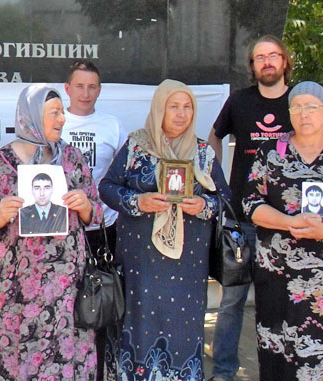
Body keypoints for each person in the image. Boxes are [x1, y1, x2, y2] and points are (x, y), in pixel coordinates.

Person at [242, 81, 323, 380]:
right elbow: (250, 203)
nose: (304, 113)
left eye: (311, 107)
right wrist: (288, 222)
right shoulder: (271, 153)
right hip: (281, 277)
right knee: (282, 354)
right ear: (289, 113)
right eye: (297, 107)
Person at [99, 79, 230, 380]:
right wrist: (137, 200)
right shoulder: (136, 146)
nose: (181, 114)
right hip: (140, 264)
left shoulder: (202, 153)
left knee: (182, 330)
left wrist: (203, 205)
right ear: (160, 108)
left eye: (187, 107)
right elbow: (107, 187)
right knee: (139, 325)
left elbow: (224, 197)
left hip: (187, 267)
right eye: (174, 106)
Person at [0, 84, 103, 380]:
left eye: (62, 113)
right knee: (17, 358)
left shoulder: (72, 158)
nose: (62, 120)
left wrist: (85, 206)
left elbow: (97, 212)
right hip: (15, 290)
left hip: (66, 288)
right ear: (31, 116)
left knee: (65, 356)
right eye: (54, 113)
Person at [207, 34, 293, 381]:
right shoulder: (239, 101)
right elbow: (215, 136)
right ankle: (225, 371)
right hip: (241, 221)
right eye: (260, 57)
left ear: (285, 61)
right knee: (232, 302)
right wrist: (217, 180)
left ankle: (281, 371)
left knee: (285, 303)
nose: (267, 62)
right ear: (252, 66)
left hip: (289, 221)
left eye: (273, 56)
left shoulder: (299, 101)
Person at [62, 59, 127, 380]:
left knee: (98, 306)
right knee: (65, 308)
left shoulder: (112, 125)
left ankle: (100, 371)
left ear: (99, 90)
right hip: (62, 234)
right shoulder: (55, 123)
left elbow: (120, 178)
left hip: (103, 230)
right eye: (79, 86)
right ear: (67, 89)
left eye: (92, 87)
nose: (85, 93)